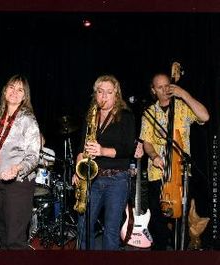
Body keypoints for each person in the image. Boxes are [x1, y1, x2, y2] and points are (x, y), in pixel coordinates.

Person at [139, 72, 209, 250]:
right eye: (160, 87)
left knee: (181, 221)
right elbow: (146, 142)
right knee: (158, 222)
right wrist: (154, 156)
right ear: (153, 90)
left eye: (167, 85)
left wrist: (184, 94)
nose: (165, 90)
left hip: (181, 173)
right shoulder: (149, 113)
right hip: (157, 174)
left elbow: (205, 117)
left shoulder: (183, 107)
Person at [72, 74, 136, 250]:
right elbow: (81, 147)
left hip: (117, 179)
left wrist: (102, 151)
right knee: (84, 228)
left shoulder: (126, 116)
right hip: (92, 178)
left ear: (117, 94)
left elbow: (128, 148)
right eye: (100, 92)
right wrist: (78, 167)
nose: (104, 96)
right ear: (95, 94)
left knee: (111, 231)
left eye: (109, 92)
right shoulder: (91, 115)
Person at [0, 74, 40, 249]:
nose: (14, 92)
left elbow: (34, 156)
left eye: (20, 89)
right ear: (5, 90)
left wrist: (17, 168)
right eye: (11, 87)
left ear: (25, 96)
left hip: (19, 184)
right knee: (2, 236)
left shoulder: (28, 120)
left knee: (15, 240)